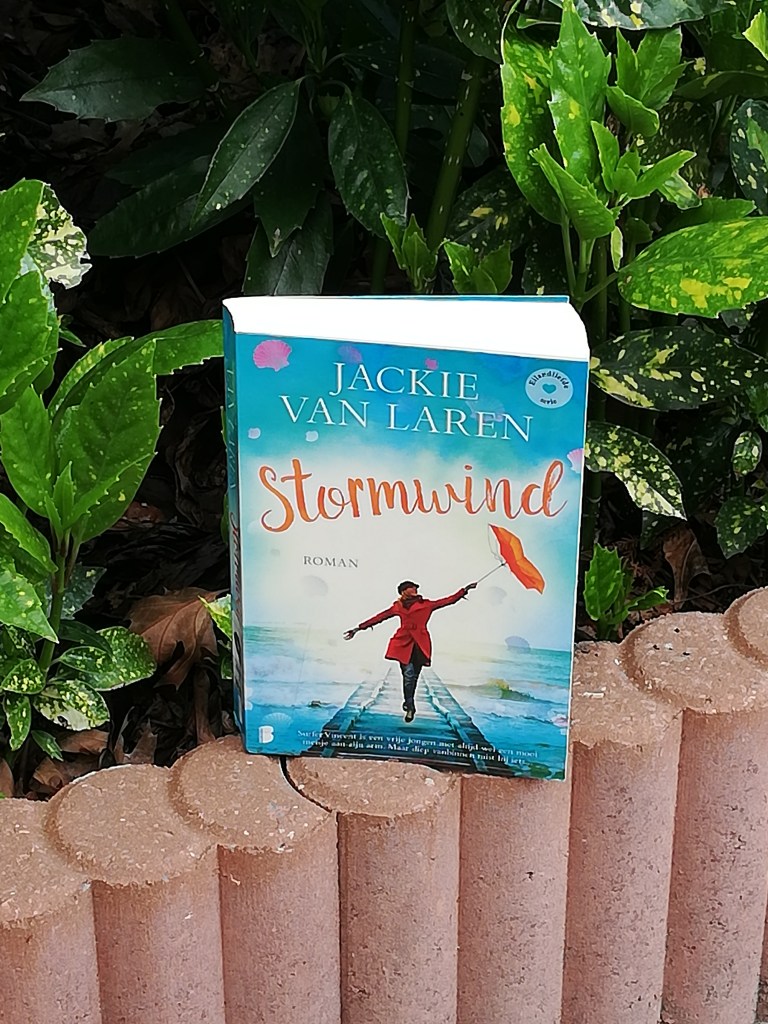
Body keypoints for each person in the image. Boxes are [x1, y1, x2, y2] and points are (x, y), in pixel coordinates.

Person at [344, 580, 477, 722]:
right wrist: (358, 628)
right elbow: (380, 617)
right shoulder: (397, 606)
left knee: (414, 677)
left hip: (420, 643)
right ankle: (410, 706)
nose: (415, 589)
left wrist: (464, 590)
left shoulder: (426, 604)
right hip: (403, 643)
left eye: (415, 587)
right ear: (403, 591)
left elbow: (447, 601)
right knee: (408, 675)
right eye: (412, 587)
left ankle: (408, 702)